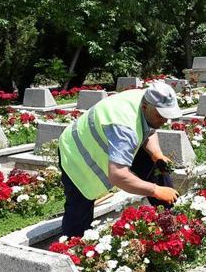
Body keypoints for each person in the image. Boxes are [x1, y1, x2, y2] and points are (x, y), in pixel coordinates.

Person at [57, 81, 182, 236]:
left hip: (107, 141)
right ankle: (71, 248)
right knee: (79, 210)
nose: (164, 121)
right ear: (145, 107)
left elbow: (149, 128)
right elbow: (118, 175)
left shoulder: (146, 99)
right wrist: (155, 190)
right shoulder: (125, 129)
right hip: (76, 155)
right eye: (160, 116)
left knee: (157, 165)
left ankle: (170, 220)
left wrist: (156, 153)